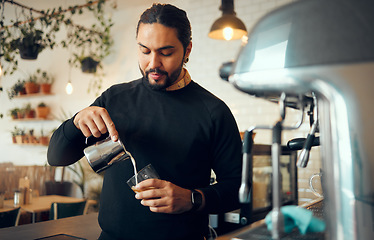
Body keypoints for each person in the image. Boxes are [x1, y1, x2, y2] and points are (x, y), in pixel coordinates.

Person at [47, 3, 242, 240]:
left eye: (166, 52)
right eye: (145, 51)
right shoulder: (114, 98)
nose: (153, 64)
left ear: (187, 49)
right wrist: (76, 121)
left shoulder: (213, 112)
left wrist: (192, 198)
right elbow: (56, 157)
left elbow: (237, 189)